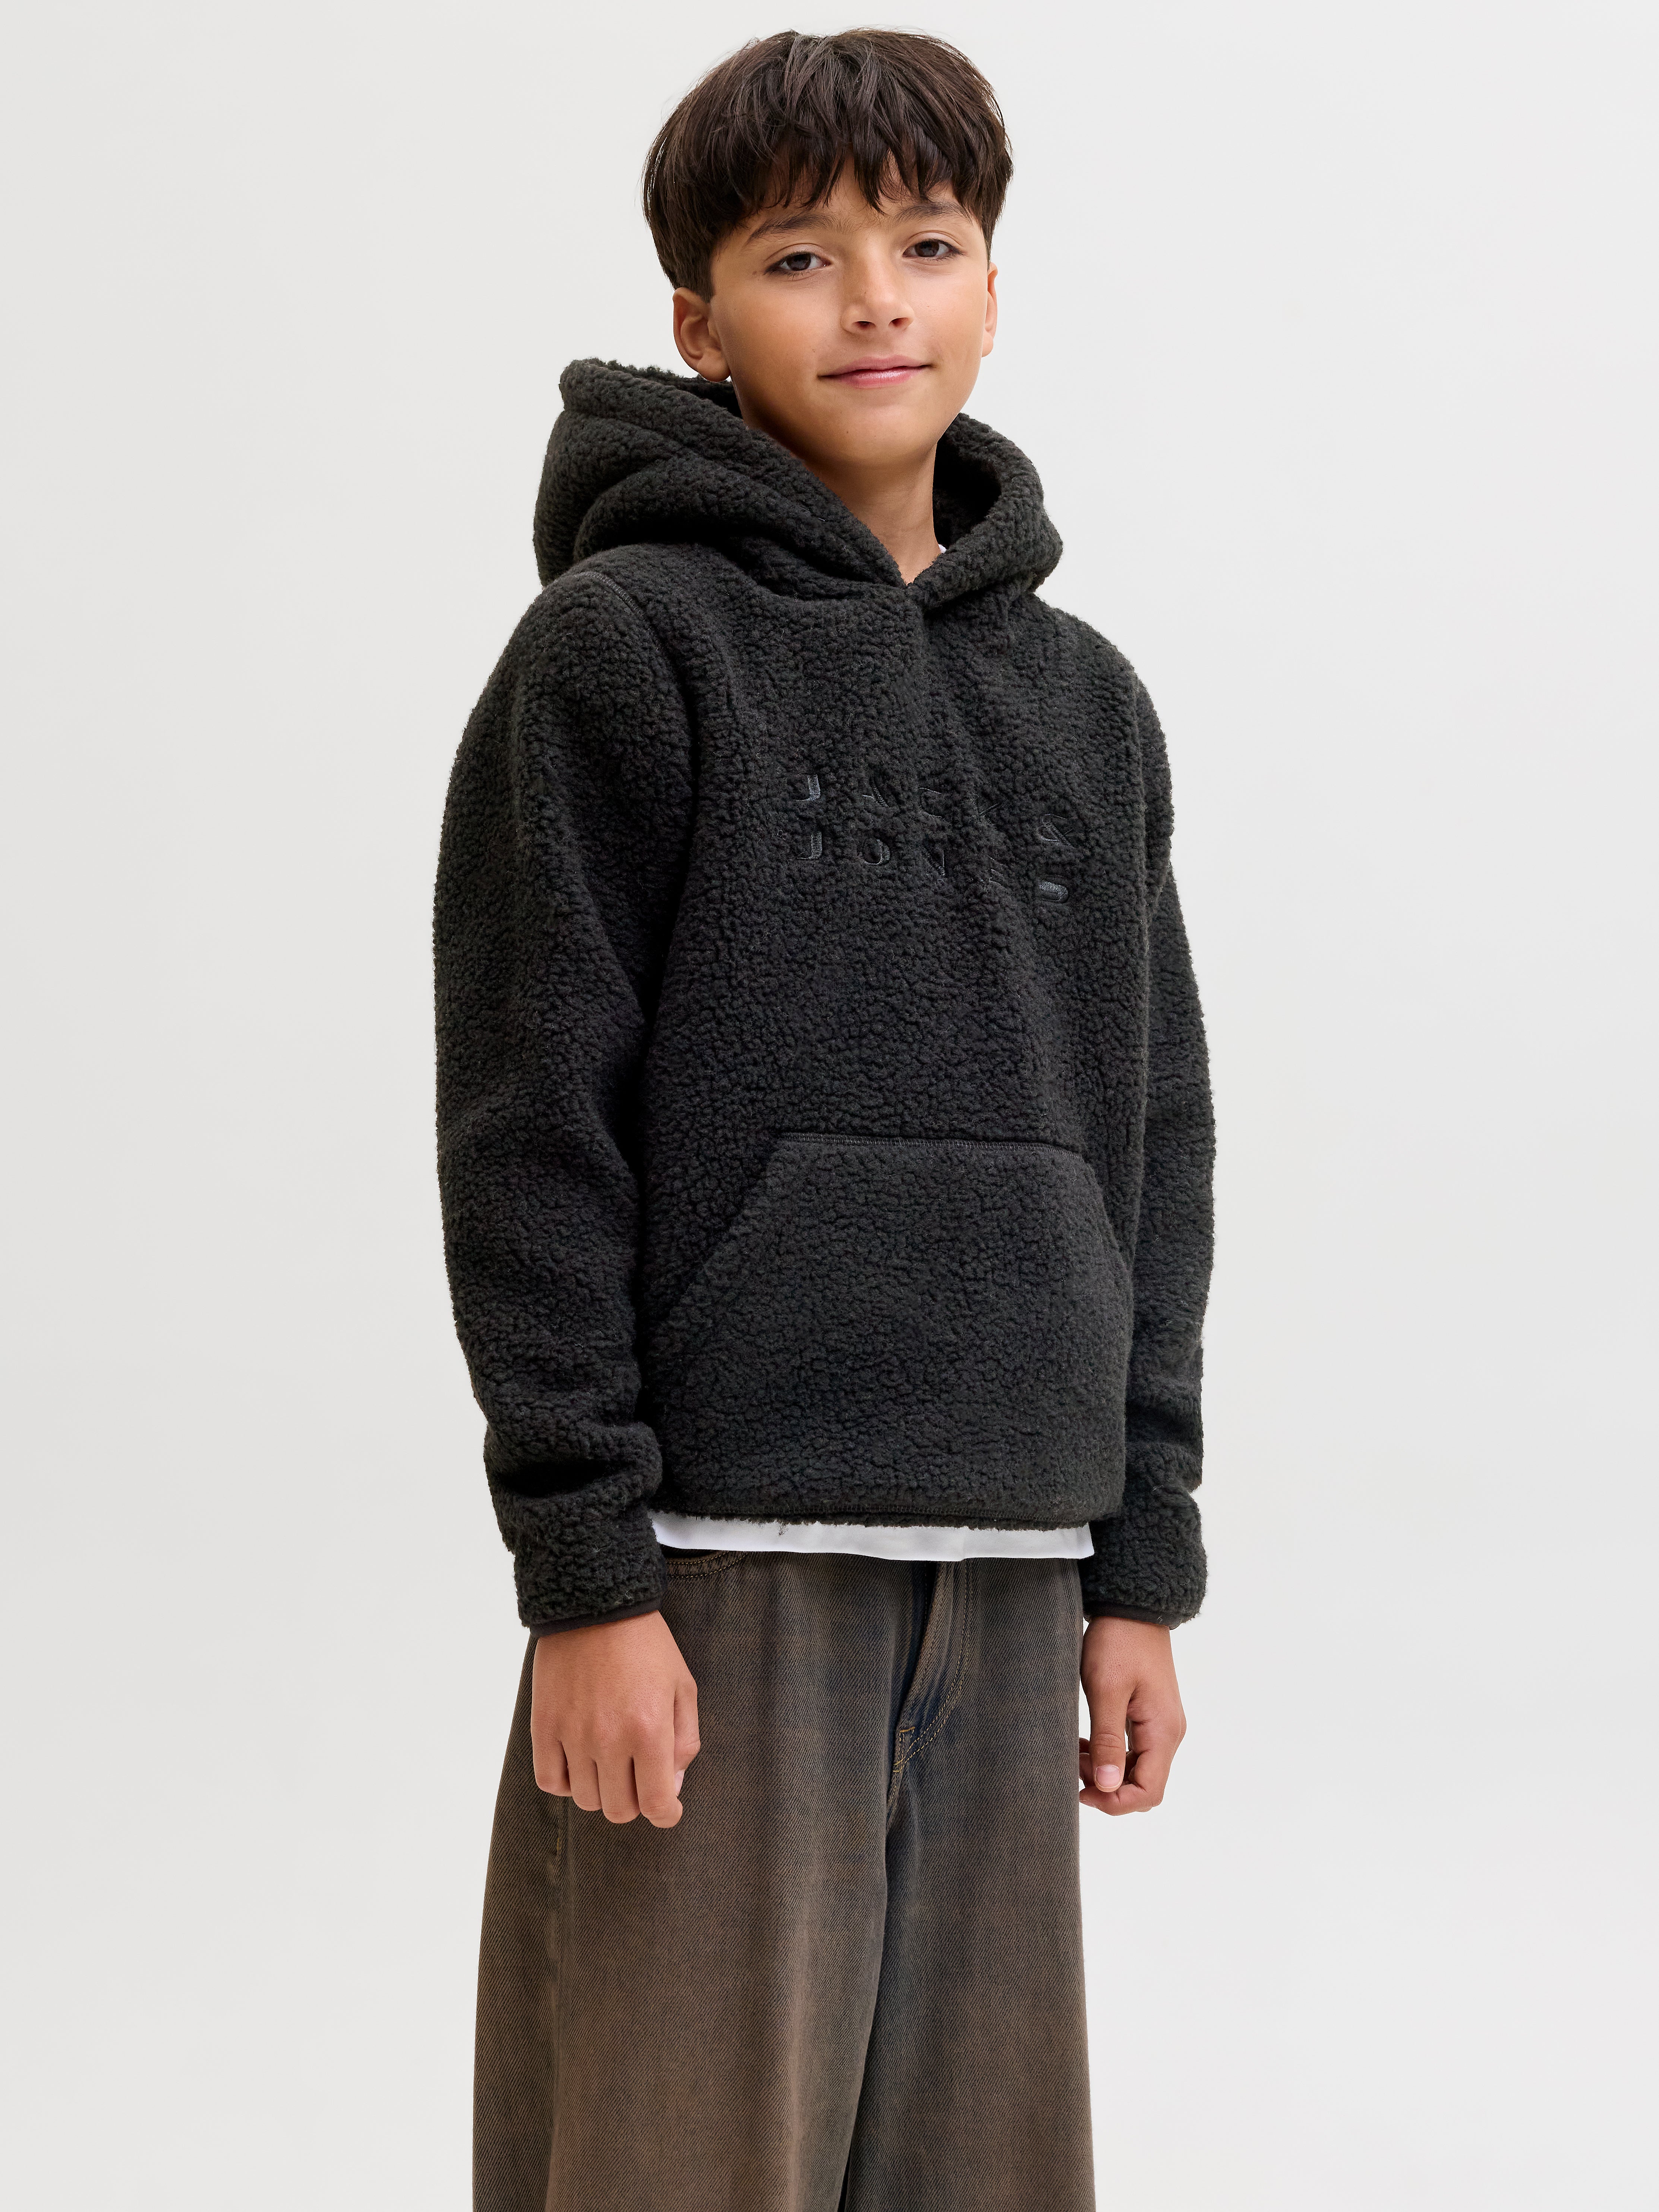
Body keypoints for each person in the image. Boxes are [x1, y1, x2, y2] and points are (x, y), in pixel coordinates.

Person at [435, 27, 1214, 2211]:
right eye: (799, 256)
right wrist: (588, 1573)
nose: (874, 299)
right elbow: (529, 1130)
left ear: (992, 288)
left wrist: (1141, 1561)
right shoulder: (621, 650)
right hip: (712, 1576)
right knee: (672, 2161)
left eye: (926, 245)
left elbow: (1153, 1137)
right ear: (701, 323)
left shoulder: (1087, 703)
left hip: (1018, 1563)